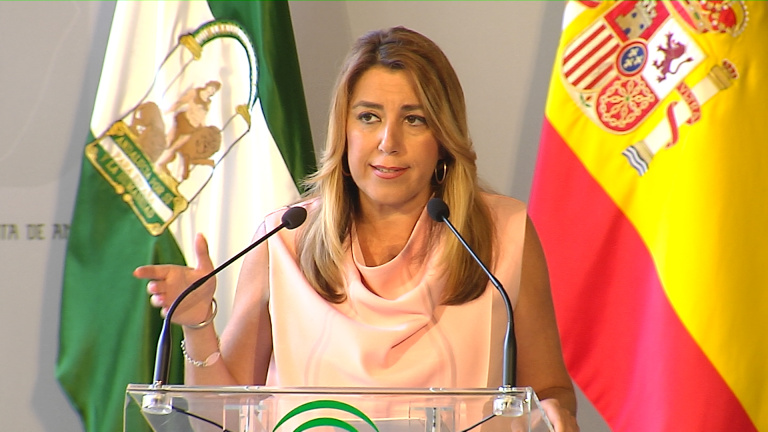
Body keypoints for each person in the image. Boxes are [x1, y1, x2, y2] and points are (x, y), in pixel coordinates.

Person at [135, 26, 579, 432]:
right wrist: (197, 323)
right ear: (343, 131)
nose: (389, 142)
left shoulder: (502, 234)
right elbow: (220, 420)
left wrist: (555, 414)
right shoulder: (285, 240)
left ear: (443, 138)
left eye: (414, 119)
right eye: (369, 117)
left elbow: (551, 391)